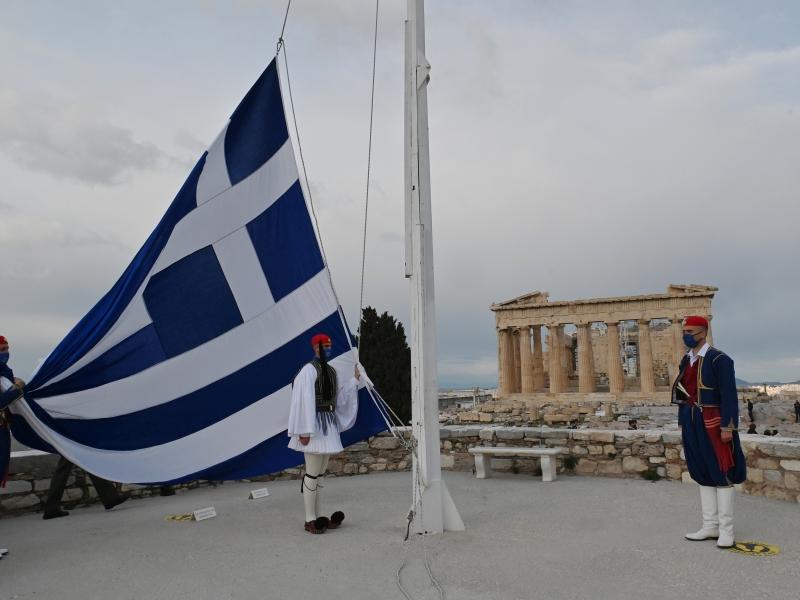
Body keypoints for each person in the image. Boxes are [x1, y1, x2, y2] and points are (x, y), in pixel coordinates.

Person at [672, 316, 745, 549]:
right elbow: (684, 391)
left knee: (720, 471)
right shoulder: (687, 359)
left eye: (690, 331)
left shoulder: (720, 359)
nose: (685, 335)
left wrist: (728, 425)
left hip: (713, 421)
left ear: (703, 332)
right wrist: (682, 419)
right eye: (684, 330)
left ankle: (726, 531)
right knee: (701, 470)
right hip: (691, 419)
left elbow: (729, 395)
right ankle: (709, 526)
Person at [287, 333, 361, 534]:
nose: (328, 348)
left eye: (329, 345)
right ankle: (310, 518)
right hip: (313, 427)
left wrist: (354, 381)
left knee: (319, 474)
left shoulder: (331, 371)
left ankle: (318, 516)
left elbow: (338, 398)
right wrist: (303, 429)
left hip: (328, 426)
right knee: (311, 472)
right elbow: (302, 400)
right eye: (324, 345)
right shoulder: (308, 371)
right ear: (315, 347)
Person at [1, 335, 26, 560]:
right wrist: (16, 389)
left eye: (7, 348)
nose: (5, 353)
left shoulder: (5, 373)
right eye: (2, 349)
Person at [42, 456, 130, 519]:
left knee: (70, 464)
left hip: (69, 433)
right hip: (72, 433)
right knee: (86, 459)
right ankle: (110, 497)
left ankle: (51, 507)